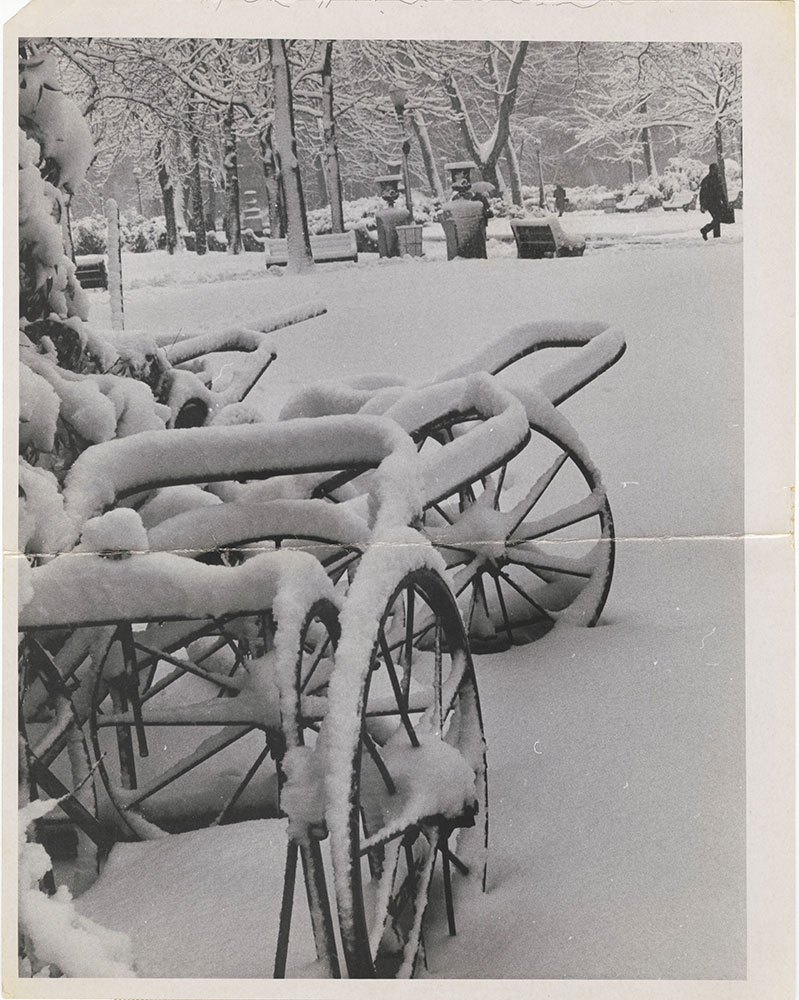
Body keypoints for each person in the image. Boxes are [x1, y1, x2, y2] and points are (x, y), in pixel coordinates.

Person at [699, 162, 729, 240]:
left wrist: (725, 202)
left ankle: (716, 236)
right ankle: (705, 230)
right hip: (711, 203)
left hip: (715, 203)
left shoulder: (714, 179)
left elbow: (721, 192)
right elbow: (702, 194)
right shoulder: (708, 180)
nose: (717, 171)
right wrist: (702, 205)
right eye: (716, 169)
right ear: (712, 170)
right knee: (717, 218)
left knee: (717, 219)